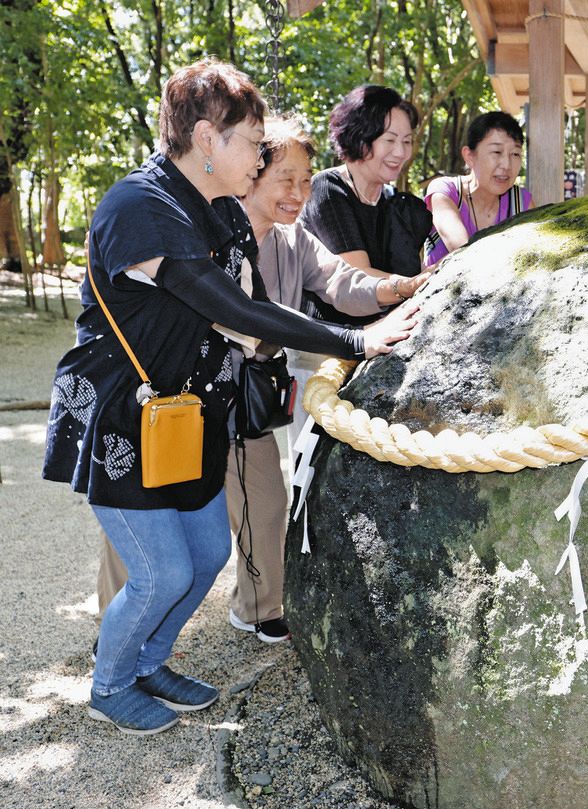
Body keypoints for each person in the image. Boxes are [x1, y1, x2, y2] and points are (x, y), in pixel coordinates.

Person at [44, 59, 417, 736]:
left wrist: (380, 303)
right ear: (209, 137)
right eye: (251, 141)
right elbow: (230, 307)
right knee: (161, 570)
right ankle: (110, 681)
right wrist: (355, 343)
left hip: (193, 413)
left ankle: (150, 661)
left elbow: (270, 299)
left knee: (209, 553)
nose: (260, 155)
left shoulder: (217, 209)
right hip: (127, 416)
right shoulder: (140, 207)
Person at [93, 116, 419, 646]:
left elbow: (342, 282)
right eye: (284, 178)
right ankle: (116, 625)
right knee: (145, 516)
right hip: (170, 396)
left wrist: (402, 289)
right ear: (250, 174)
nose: (298, 192)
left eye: (306, 179)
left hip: (245, 398)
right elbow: (241, 313)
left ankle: (262, 605)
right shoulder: (200, 229)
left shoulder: (295, 241)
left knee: (264, 505)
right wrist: (354, 341)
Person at [298, 84, 431, 324]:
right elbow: (358, 279)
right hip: (326, 342)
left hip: (386, 332)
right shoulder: (327, 189)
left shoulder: (395, 201)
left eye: (407, 141)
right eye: (389, 140)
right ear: (359, 138)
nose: (400, 152)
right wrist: (414, 285)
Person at [422, 111, 533, 267]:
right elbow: (462, 251)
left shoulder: (521, 202)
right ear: (469, 156)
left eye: (515, 154)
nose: (507, 165)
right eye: (496, 152)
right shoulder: (446, 192)